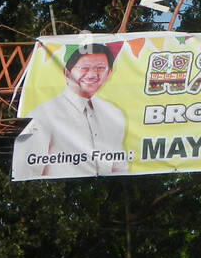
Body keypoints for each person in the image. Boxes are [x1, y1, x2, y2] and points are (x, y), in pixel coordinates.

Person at [12, 42, 129, 178]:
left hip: (103, 194)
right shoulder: (43, 114)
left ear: (109, 73)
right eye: (84, 68)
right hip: (57, 195)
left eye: (100, 68)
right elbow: (26, 170)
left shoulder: (114, 114)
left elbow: (118, 167)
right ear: (67, 73)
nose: (92, 74)